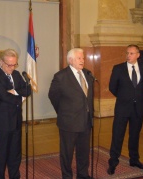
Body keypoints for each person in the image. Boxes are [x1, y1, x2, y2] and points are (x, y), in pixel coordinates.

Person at [48, 48, 94, 179]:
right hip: (69, 121)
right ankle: (67, 176)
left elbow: (87, 98)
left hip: (85, 120)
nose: (82, 60)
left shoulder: (87, 74)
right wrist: (63, 112)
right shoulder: (60, 76)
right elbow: (53, 96)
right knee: (67, 152)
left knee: (84, 151)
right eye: (79, 58)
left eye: (83, 58)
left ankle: (83, 174)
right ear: (70, 60)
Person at [107, 44, 143, 175]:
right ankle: (113, 162)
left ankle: (134, 160)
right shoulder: (118, 68)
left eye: (131, 53)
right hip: (122, 108)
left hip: (138, 108)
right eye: (127, 53)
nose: (128, 55)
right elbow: (112, 87)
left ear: (138, 54)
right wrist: (124, 97)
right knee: (117, 136)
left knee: (135, 136)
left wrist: (136, 96)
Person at [0, 49, 31, 179]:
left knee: (15, 153)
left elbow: (28, 90)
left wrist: (14, 92)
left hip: (16, 120)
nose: (12, 68)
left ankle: (14, 176)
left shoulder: (17, 74)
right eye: (9, 65)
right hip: (2, 121)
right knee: (1, 154)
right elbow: (3, 96)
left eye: (14, 64)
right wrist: (20, 96)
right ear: (1, 62)